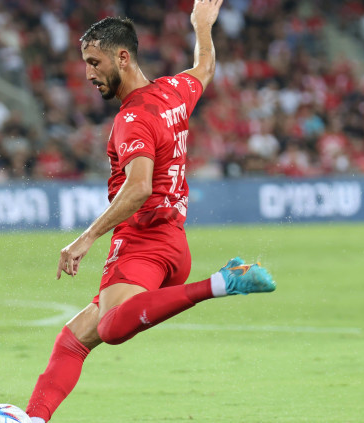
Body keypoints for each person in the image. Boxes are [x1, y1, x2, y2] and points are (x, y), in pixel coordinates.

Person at [25, 4, 277, 422]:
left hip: (143, 244)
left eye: (94, 62)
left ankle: (223, 282)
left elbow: (139, 187)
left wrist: (85, 238)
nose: (87, 74)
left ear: (122, 57)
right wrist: (201, 25)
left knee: (110, 328)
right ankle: (34, 418)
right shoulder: (173, 91)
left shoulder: (133, 118)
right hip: (173, 244)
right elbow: (205, 68)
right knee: (73, 340)